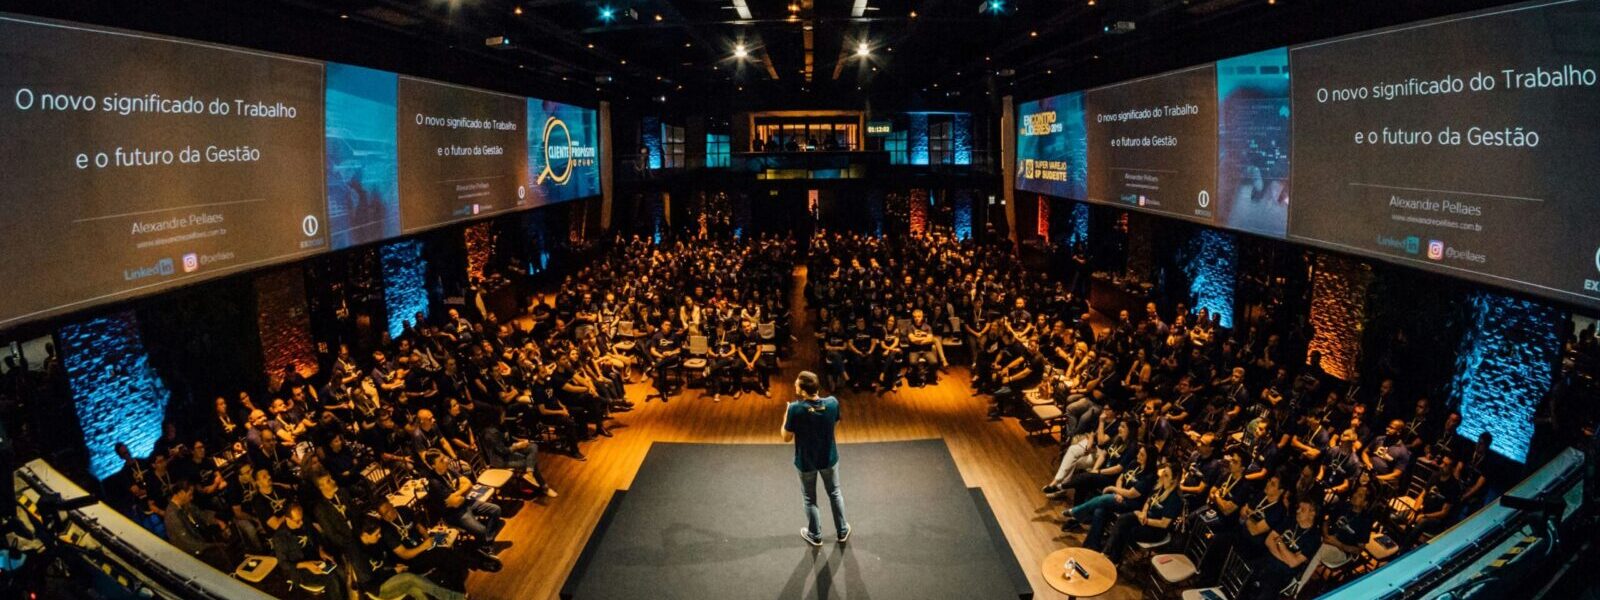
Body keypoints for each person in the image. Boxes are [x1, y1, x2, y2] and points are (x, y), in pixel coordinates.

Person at [781, 371, 851, 546]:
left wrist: (785, 416)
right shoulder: (833, 403)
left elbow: (786, 437)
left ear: (803, 391)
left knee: (810, 499)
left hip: (806, 462)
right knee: (835, 493)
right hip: (829, 458)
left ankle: (815, 535)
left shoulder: (795, 409)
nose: (794, 385)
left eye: (797, 384)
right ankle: (842, 531)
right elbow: (834, 425)